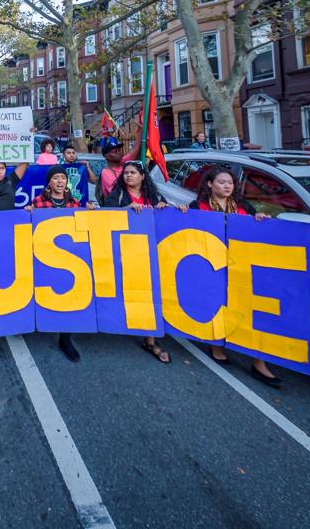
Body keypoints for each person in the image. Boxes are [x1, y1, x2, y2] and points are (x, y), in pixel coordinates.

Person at [188, 166, 281, 387]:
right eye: (221, 182)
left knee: (251, 310)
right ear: (210, 185)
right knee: (218, 305)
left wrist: (259, 218)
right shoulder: (196, 207)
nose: (227, 186)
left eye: (230, 182)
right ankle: (217, 345)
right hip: (214, 266)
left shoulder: (243, 207)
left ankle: (259, 363)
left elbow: (255, 229)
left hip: (241, 265)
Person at [105, 161, 185, 364]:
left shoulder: (154, 195)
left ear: (142, 176)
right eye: (126, 173)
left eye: (132, 173)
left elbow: (168, 214)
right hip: (126, 253)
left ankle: (151, 340)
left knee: (154, 294)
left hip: (153, 253)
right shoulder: (118, 196)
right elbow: (104, 217)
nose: (128, 176)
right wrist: (125, 209)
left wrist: (169, 208)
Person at [26, 166, 97, 362]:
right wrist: (28, 213)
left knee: (68, 295)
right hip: (44, 256)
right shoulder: (38, 202)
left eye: (62, 178)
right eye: (55, 178)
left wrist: (90, 211)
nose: (60, 181)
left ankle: (65, 339)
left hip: (69, 259)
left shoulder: (75, 203)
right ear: (49, 182)